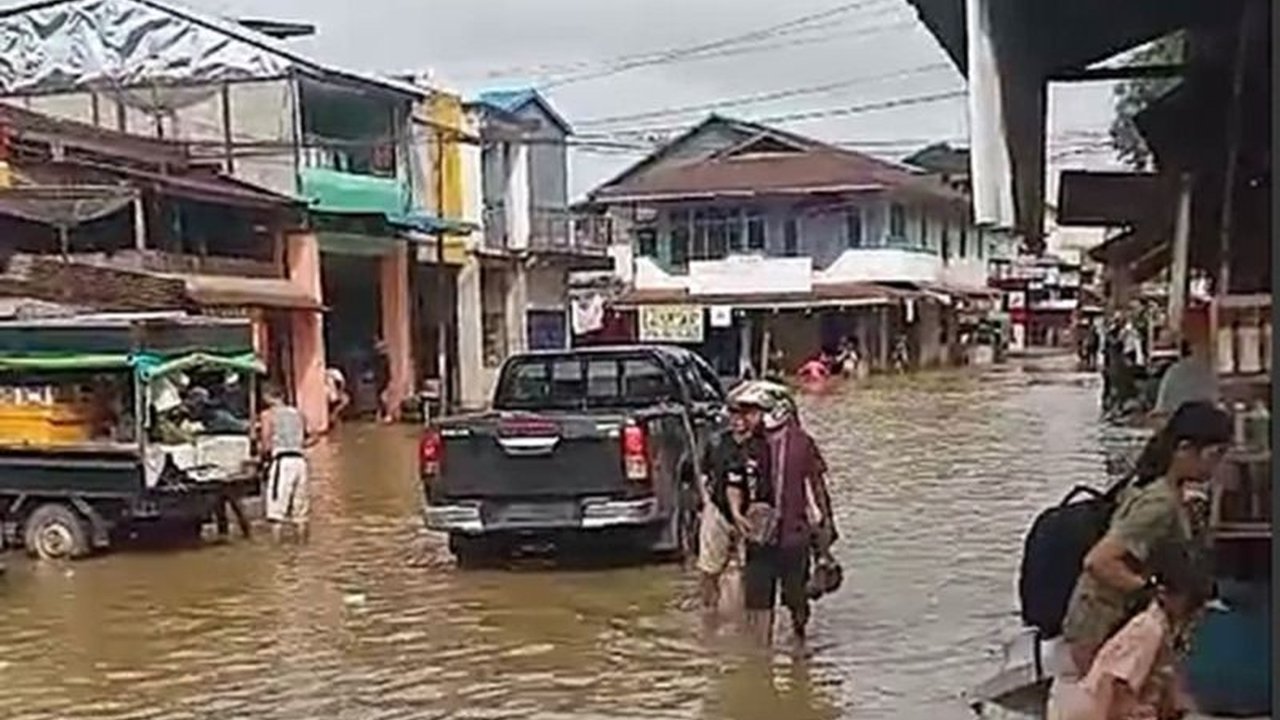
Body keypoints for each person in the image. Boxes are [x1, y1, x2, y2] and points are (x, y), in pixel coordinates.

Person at [1060, 401, 1231, 674]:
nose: (1218, 464)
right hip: (1105, 627)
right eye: (1215, 454)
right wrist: (1151, 594)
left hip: (1100, 623)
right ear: (1185, 449)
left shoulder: (1150, 482)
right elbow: (1099, 561)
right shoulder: (1159, 503)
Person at [731, 381, 837, 646]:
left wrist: (826, 529)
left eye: (753, 412)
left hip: (794, 537)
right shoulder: (745, 445)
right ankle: (761, 659)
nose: (746, 418)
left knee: (796, 600)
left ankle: (799, 641)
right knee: (758, 604)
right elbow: (733, 483)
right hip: (759, 538)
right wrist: (736, 516)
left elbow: (817, 488)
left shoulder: (802, 444)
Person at [1048, 546, 1209, 720]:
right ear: (1166, 595)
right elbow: (1112, 681)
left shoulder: (1164, 629)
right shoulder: (1148, 630)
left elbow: (1167, 679)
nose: (1196, 613)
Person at [696, 385, 770, 632]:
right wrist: (705, 503)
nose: (739, 419)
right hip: (719, 510)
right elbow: (704, 474)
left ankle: (742, 624)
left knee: (746, 573)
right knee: (709, 569)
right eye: (734, 413)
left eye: (745, 413)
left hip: (753, 517)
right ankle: (709, 615)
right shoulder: (717, 442)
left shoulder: (764, 446)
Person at [258, 383, 317, 542]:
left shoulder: (268, 415)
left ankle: (277, 550)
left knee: (276, 511)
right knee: (301, 512)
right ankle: (302, 545)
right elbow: (314, 436)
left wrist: (262, 459)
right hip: (300, 461)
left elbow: (266, 442)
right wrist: (298, 445)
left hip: (282, 463)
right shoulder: (298, 413)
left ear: (267, 397)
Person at [1152, 314, 1218, 423]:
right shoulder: (1211, 374)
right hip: (1211, 431)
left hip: (1180, 431)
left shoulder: (1174, 374)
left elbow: (1161, 412)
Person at [372, 339, 394, 423]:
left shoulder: (384, 360)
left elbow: (386, 371)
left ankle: (387, 414)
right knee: (380, 398)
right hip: (380, 380)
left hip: (383, 380)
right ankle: (382, 414)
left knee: (384, 398)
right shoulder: (378, 360)